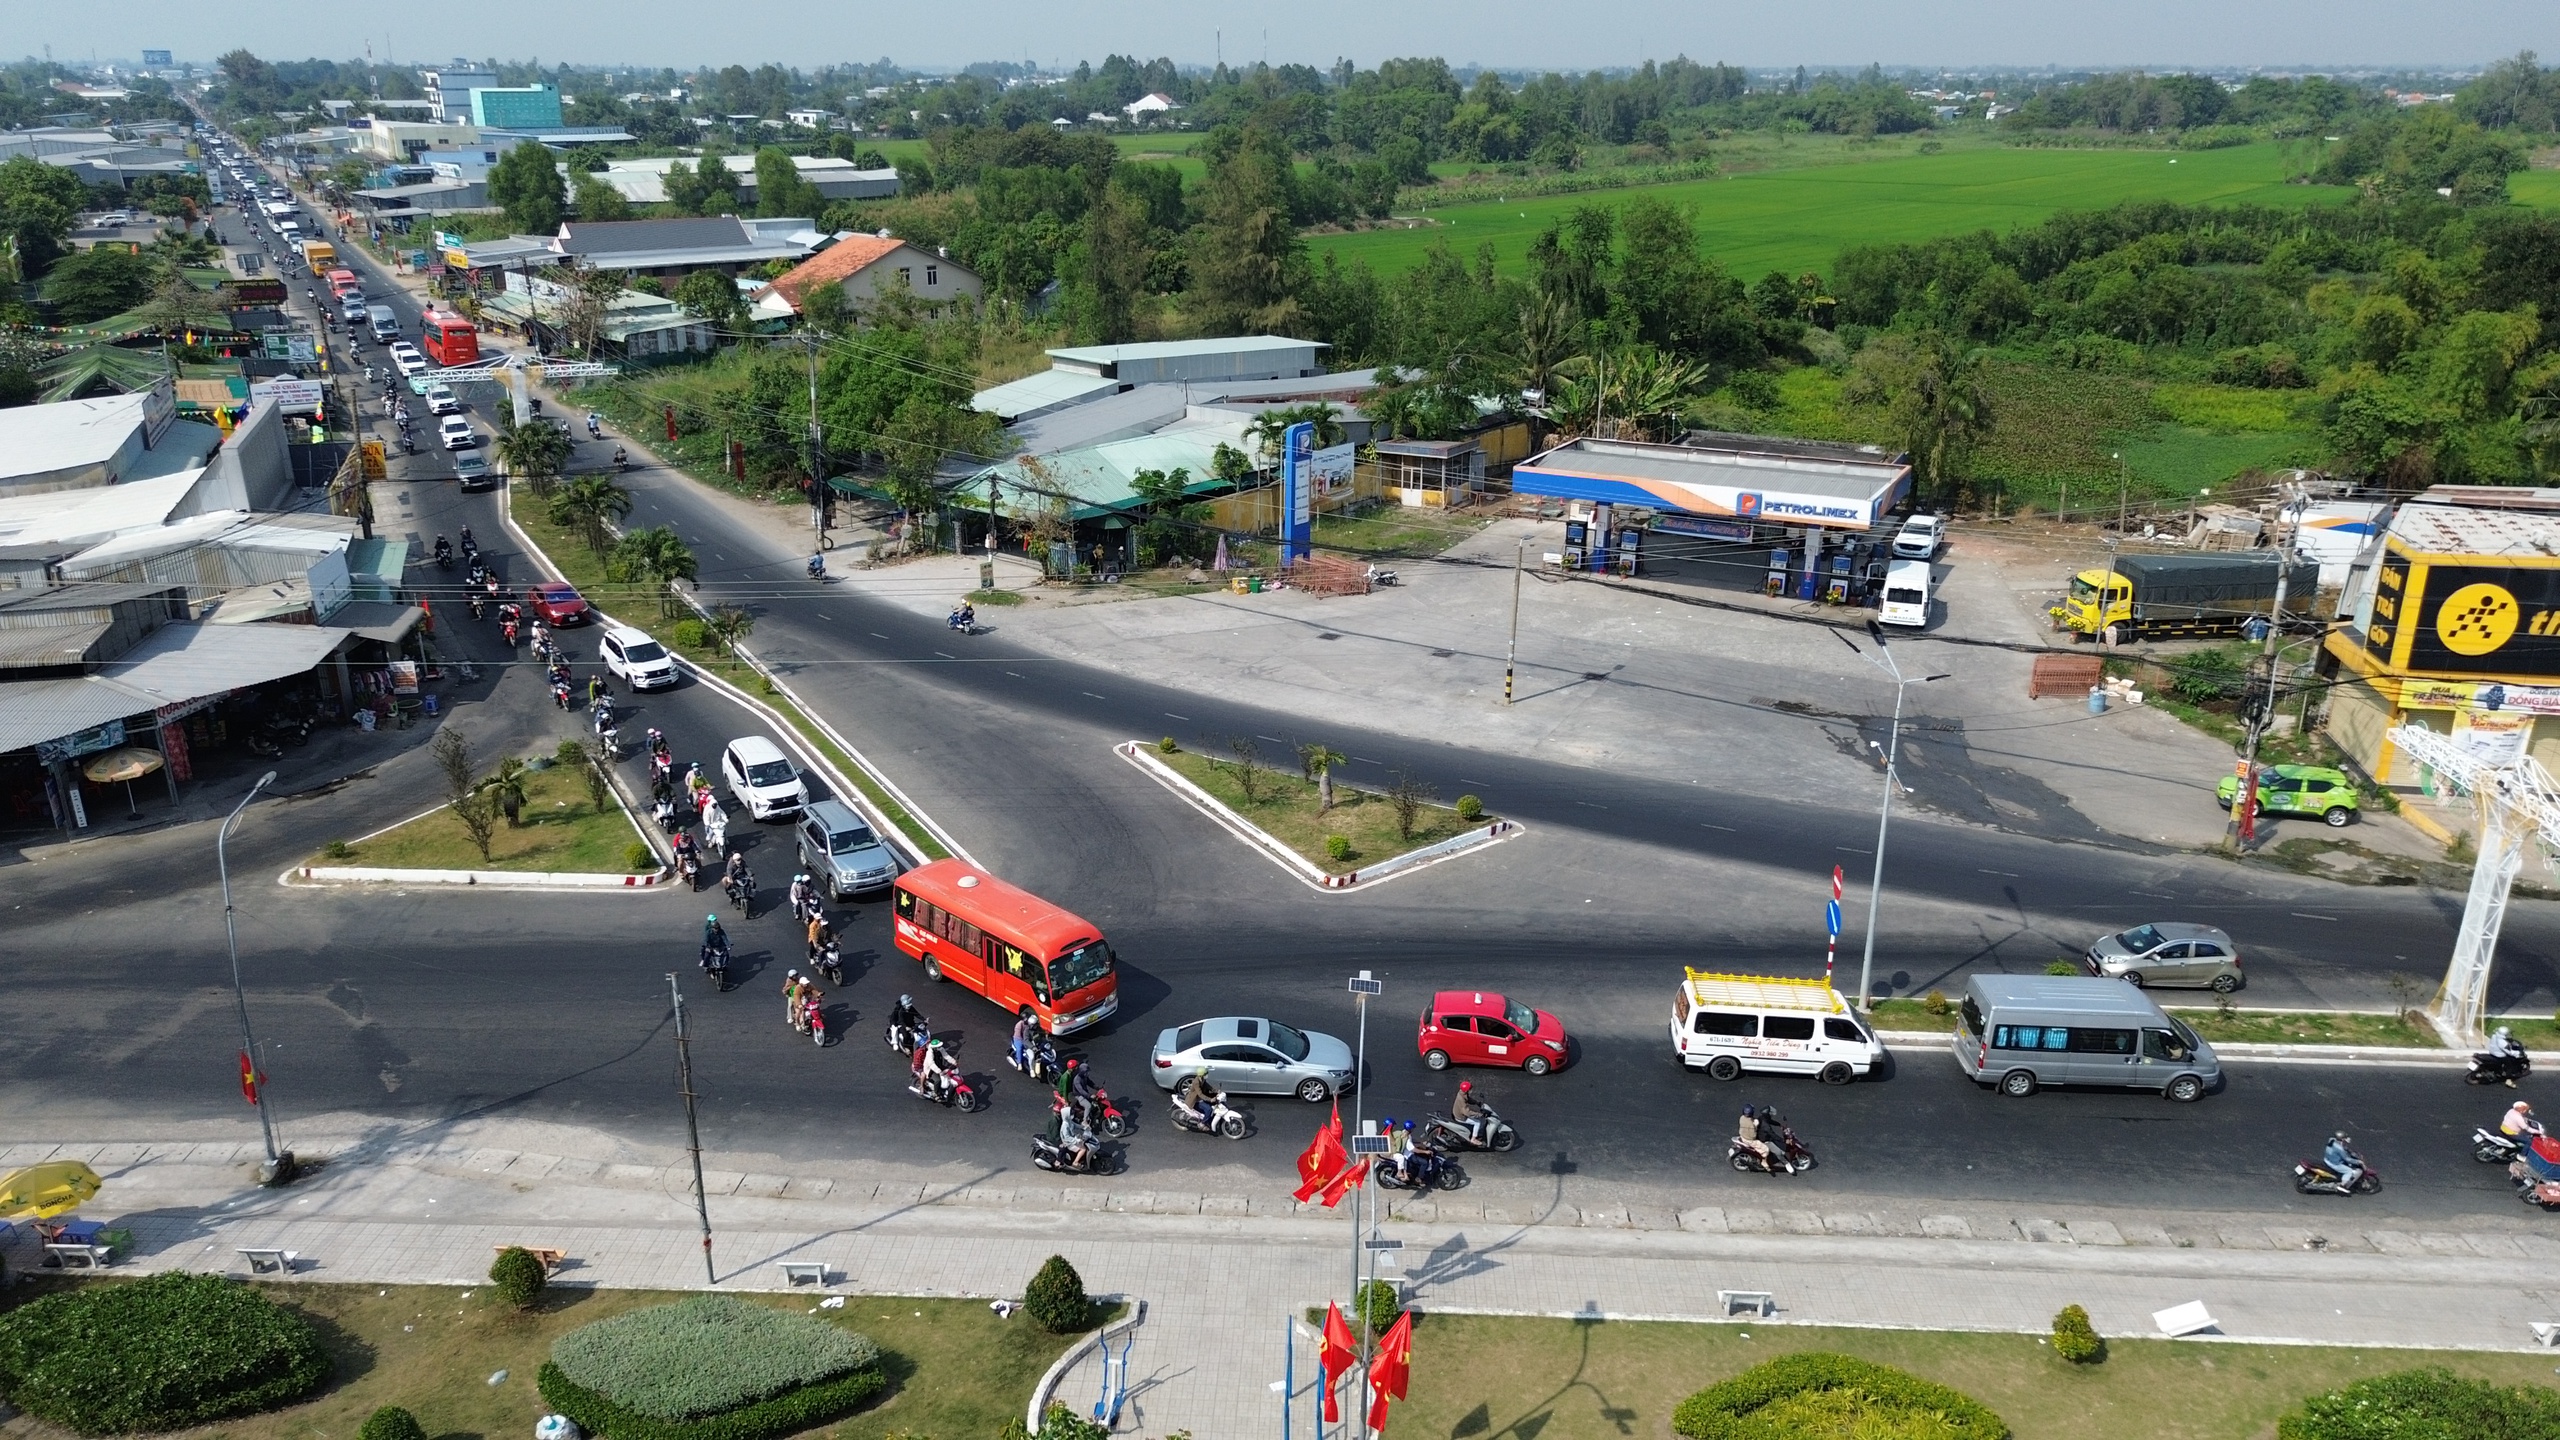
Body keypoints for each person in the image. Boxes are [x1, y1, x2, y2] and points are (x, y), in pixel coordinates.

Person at [1736, 1105, 1776, 1172]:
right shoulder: (1751, 1125)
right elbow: (1753, 1136)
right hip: (1749, 1140)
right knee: (1766, 1149)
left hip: (1742, 1136)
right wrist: (1756, 1126)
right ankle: (1764, 1162)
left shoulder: (1742, 1118)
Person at [1453, 1080, 1491, 1145]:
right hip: (1461, 1117)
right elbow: (1467, 1112)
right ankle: (1473, 1139)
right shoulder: (1461, 1100)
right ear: (1466, 1090)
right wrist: (1479, 1115)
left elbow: (1468, 1099)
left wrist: (1477, 1103)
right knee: (1477, 1122)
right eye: (1469, 1089)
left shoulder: (1462, 1093)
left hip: (1458, 1112)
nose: (1470, 1090)